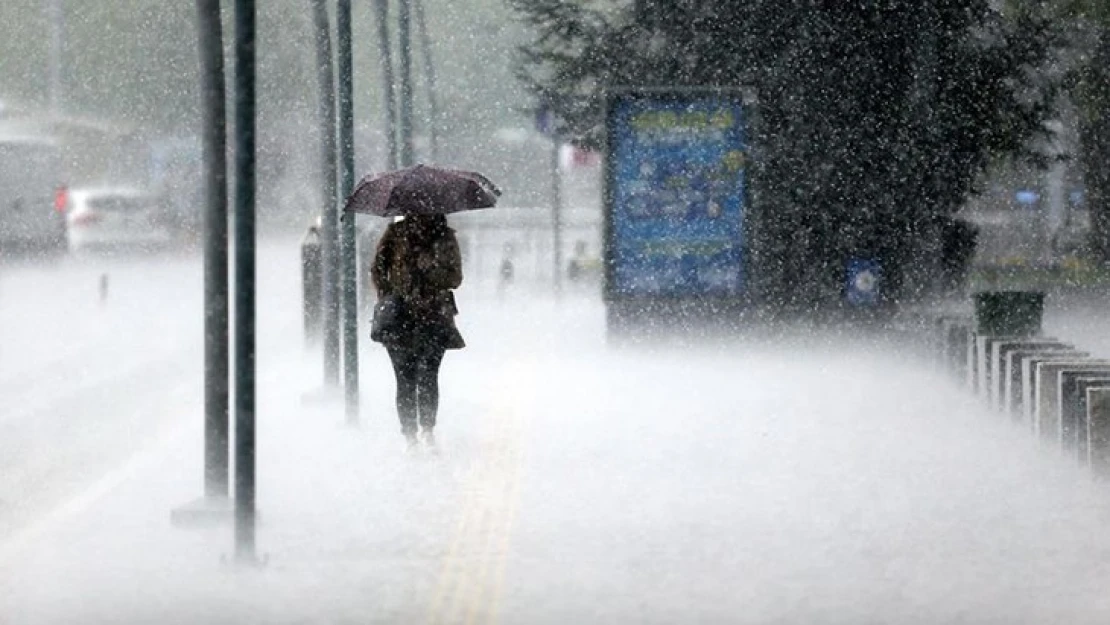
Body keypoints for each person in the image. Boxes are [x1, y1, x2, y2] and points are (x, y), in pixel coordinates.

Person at [371, 214, 464, 450]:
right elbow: (377, 269)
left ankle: (427, 429)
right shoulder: (395, 234)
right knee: (405, 379)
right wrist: (388, 295)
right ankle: (410, 435)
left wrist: (431, 269)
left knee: (429, 376)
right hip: (399, 318)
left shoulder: (446, 237)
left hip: (434, 316)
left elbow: (455, 278)